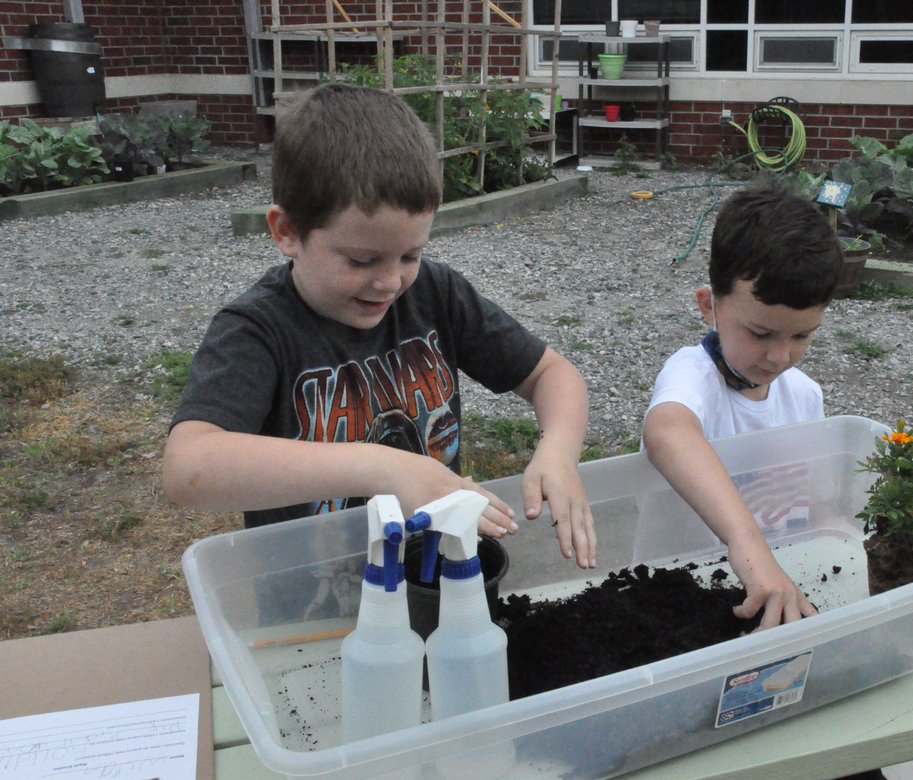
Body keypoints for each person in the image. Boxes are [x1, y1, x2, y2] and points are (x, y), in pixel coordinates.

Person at [163, 82, 595, 577]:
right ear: (287, 232)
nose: (390, 282)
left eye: (410, 255)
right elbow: (188, 467)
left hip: (430, 576)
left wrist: (559, 451)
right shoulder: (258, 330)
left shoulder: (435, 294)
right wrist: (381, 467)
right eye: (361, 260)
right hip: (314, 595)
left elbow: (551, 374)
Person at [642, 178, 842, 631]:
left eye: (801, 335)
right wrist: (747, 545)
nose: (780, 356)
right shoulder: (692, 377)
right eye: (760, 333)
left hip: (779, 591)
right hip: (678, 596)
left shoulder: (804, 395)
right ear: (709, 306)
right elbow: (667, 431)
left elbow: (819, 506)